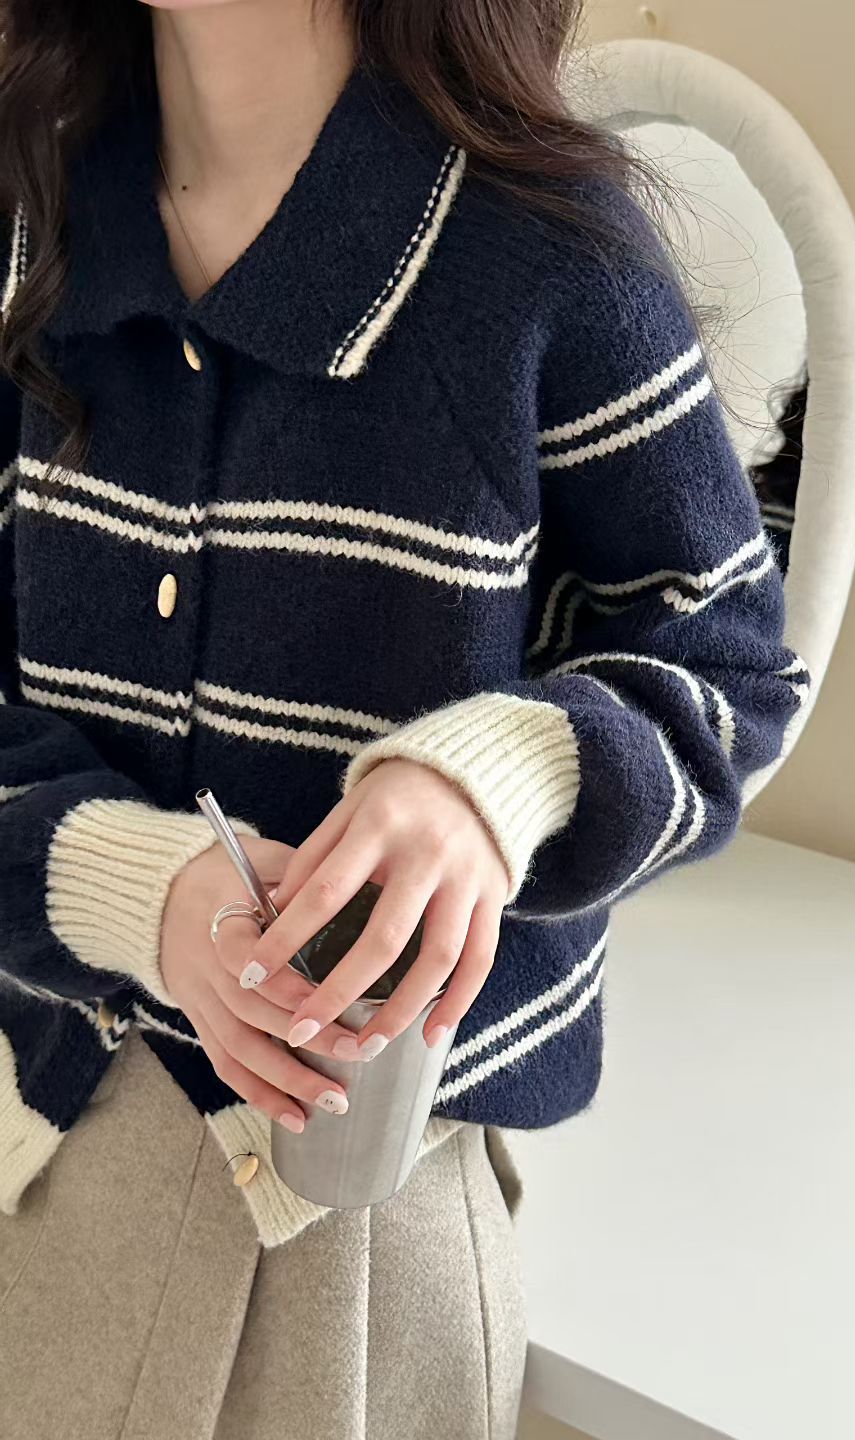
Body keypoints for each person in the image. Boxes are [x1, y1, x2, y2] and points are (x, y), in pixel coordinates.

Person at [0, 1, 810, 1436]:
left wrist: (490, 780)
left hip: (371, 1230)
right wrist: (127, 884)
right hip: (49, 1154)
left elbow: (730, 673)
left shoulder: (553, 258)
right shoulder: (29, 224)